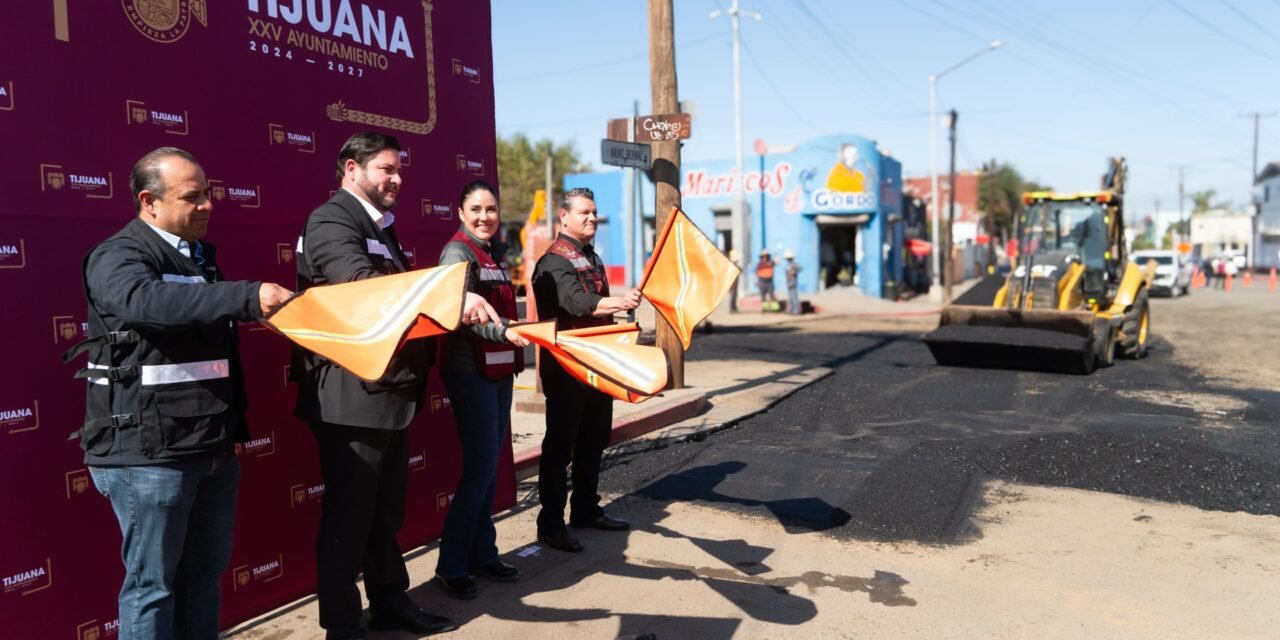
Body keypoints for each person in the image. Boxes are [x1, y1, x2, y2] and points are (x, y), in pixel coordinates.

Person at [67, 147, 292, 640]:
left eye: (208, 194)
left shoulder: (197, 258)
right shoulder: (118, 255)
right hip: (148, 456)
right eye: (193, 197)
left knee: (201, 577)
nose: (208, 205)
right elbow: (145, 302)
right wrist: (246, 296)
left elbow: (206, 345)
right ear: (149, 201)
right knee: (152, 589)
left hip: (209, 447)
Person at [293, 132, 495, 639]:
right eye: (386, 169)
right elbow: (364, 287)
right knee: (348, 521)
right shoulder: (332, 219)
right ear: (350, 169)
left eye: (399, 170)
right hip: (349, 396)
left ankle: (389, 603)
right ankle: (342, 625)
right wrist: (450, 297)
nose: (397, 179)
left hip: (385, 394)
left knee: (383, 516)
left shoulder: (378, 226)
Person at [432, 180, 530, 599]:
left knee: (488, 469)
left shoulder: (491, 252)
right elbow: (459, 311)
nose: (485, 217)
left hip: (497, 370)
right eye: (476, 209)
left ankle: (483, 553)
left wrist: (508, 335)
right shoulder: (457, 253)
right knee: (480, 469)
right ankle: (451, 564)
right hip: (469, 369)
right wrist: (507, 332)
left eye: (491, 209)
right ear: (460, 212)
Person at [531, 187, 641, 553]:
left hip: (596, 365)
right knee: (560, 447)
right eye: (584, 213)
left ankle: (586, 510)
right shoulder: (554, 261)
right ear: (564, 217)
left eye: (594, 213)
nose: (592, 218)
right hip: (566, 369)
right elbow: (578, 304)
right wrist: (618, 301)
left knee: (594, 439)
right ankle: (550, 523)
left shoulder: (589, 256)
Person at [784, 249, 802, 315]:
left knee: (794, 297)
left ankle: (796, 310)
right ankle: (791, 310)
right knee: (791, 298)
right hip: (789, 283)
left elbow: (799, 268)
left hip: (793, 283)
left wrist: (794, 271)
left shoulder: (794, 264)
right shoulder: (787, 265)